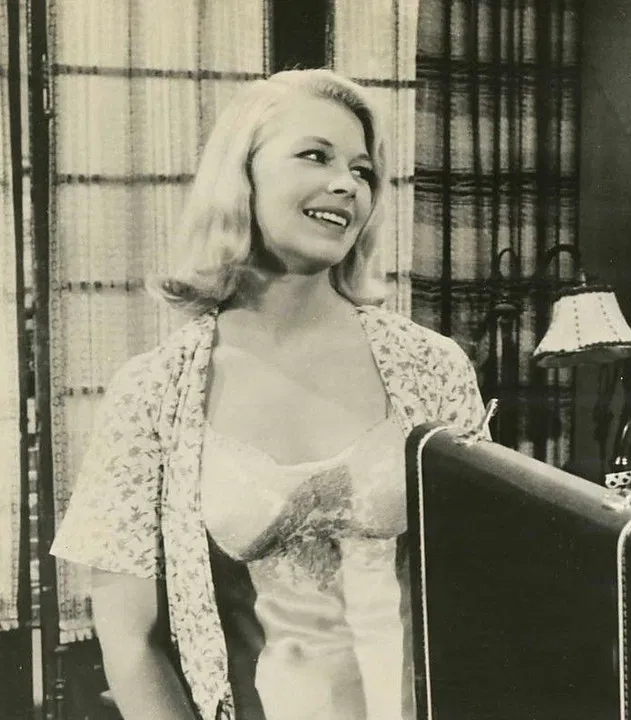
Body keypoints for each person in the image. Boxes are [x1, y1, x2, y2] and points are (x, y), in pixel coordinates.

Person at [49, 69, 489, 720]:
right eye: (315, 155)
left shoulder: (433, 367)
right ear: (241, 175)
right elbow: (131, 644)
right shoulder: (153, 393)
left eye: (363, 171)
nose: (347, 184)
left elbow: (485, 594)